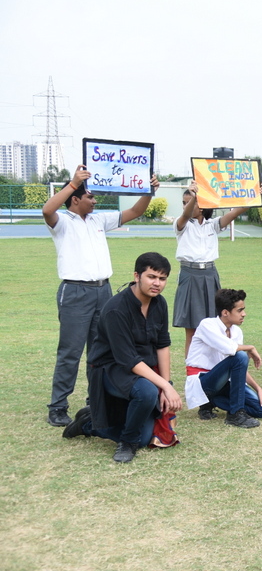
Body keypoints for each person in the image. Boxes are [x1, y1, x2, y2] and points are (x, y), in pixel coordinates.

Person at [43, 165, 158, 427]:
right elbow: (47, 210)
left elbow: (136, 211)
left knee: (100, 350)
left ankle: (94, 400)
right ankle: (58, 406)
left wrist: (148, 191)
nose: (95, 201)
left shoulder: (98, 219)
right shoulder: (61, 222)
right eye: (90, 197)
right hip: (75, 291)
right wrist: (73, 183)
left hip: (104, 291)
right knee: (70, 352)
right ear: (75, 199)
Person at [61, 252, 182, 463]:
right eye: (151, 277)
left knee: (145, 438)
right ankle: (115, 437)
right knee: (146, 392)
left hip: (140, 368)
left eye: (162, 279)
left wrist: (167, 384)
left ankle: (97, 423)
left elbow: (162, 345)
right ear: (137, 276)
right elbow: (128, 360)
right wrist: (164, 386)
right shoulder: (116, 309)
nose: (157, 283)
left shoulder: (159, 303)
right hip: (110, 368)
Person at [173, 179, 262, 358]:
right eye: (184, 203)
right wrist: (194, 197)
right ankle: (192, 369)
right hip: (189, 274)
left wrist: (256, 194)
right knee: (192, 330)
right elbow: (185, 216)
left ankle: (214, 365)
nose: (185, 206)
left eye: (189, 202)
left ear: (202, 205)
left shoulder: (212, 225)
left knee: (214, 324)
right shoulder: (181, 225)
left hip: (210, 275)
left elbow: (237, 211)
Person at [184, 288, 262, 428]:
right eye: (239, 310)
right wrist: (249, 347)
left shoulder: (236, 331)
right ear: (225, 312)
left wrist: (258, 389)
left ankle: (213, 401)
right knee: (240, 355)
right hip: (203, 381)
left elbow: (238, 366)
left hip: (223, 382)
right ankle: (235, 414)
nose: (244, 314)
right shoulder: (207, 325)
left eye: (243, 309)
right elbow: (230, 349)